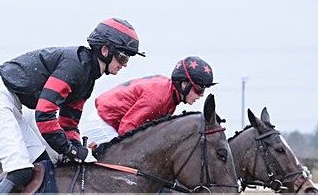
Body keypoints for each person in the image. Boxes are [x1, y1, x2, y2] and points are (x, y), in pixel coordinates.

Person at [0, 18, 144, 195]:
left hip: (14, 104)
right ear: (105, 50)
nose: (125, 64)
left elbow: (68, 122)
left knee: (41, 167)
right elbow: (44, 113)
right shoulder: (75, 66)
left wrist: (76, 147)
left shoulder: (88, 76)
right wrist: (71, 151)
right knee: (20, 171)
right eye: (123, 57)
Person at [79, 56, 216, 145]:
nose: (201, 95)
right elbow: (127, 126)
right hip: (103, 124)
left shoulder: (170, 98)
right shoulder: (159, 97)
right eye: (199, 89)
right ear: (184, 84)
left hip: (112, 123)